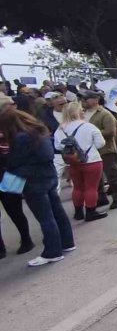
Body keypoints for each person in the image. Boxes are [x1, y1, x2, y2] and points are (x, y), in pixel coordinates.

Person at [1, 106, 75, 267]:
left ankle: (52, 251)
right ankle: (67, 243)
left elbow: (13, 161)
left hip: (32, 181)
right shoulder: (39, 132)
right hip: (48, 176)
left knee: (45, 218)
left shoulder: (20, 139)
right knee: (58, 213)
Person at [54, 102, 107, 222]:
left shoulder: (60, 129)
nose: (83, 111)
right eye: (81, 109)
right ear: (77, 112)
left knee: (77, 188)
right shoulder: (89, 126)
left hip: (73, 162)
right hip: (92, 160)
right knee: (91, 188)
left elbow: (58, 146)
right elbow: (100, 143)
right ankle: (90, 212)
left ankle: (78, 212)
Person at [0, 96, 34, 258]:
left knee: (14, 209)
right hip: (7, 170)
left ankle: (26, 239)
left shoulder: (17, 124)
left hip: (10, 172)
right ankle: (0, 246)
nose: (13, 107)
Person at [83, 90, 117, 209]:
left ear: (95, 100)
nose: (83, 101)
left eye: (86, 99)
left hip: (106, 149)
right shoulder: (83, 114)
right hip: (91, 150)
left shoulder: (105, 114)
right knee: (96, 177)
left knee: (112, 175)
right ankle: (101, 198)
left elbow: (110, 131)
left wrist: (92, 133)